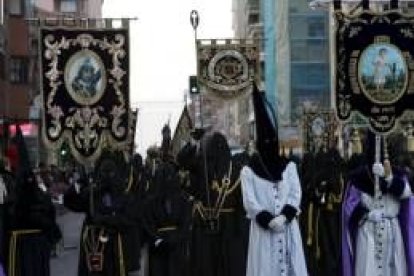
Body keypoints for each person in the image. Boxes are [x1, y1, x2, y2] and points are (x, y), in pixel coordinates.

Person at [240, 85, 308, 276]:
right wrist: (269, 221)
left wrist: (285, 216)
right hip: (264, 233)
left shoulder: (289, 167)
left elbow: (295, 194)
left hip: (287, 229)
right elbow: (250, 203)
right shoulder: (249, 171)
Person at [342, 131, 414, 276]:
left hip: (392, 231)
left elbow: (407, 194)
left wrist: (389, 178)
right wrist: (366, 214)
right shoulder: (358, 177)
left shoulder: (398, 174)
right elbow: (349, 209)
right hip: (368, 232)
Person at [64, 151, 142, 276]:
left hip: (117, 246)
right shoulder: (92, 193)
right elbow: (70, 202)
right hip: (94, 245)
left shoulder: (123, 194)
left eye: (110, 173)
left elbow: (130, 219)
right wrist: (79, 184)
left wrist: (107, 220)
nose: (107, 177)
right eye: (104, 173)